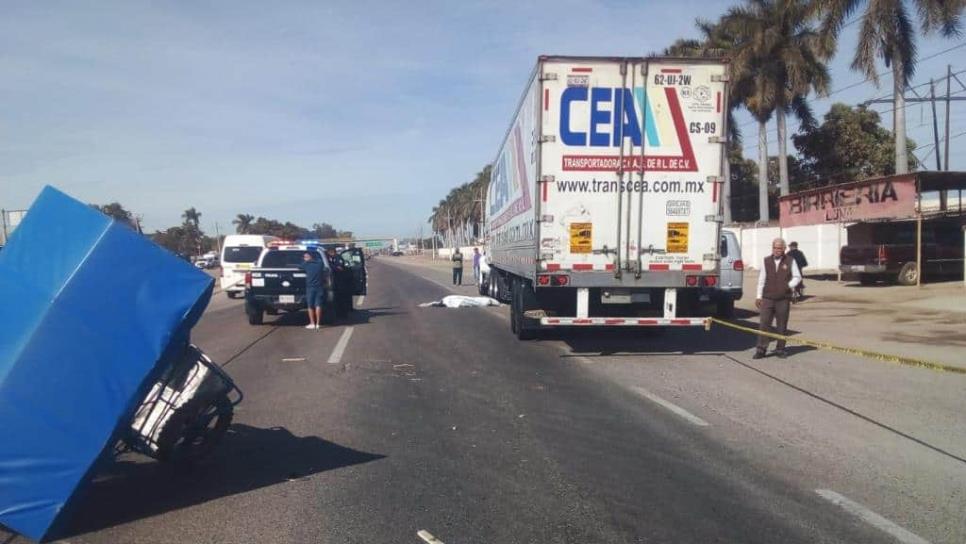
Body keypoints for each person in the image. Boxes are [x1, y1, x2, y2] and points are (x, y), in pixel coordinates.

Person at [754, 238, 802, 359]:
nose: (777, 250)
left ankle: (780, 349)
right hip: (767, 298)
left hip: (783, 299)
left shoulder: (790, 261)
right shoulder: (766, 261)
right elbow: (761, 279)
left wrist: (788, 286)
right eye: (775, 248)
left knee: (782, 325)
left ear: (784, 249)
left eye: (779, 248)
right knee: (764, 323)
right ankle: (761, 349)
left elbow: (797, 277)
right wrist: (759, 296)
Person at [300, 251, 325, 330]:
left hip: (310, 288)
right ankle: (318, 323)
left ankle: (312, 323)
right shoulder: (320, 264)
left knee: (310, 306)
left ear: (309, 257)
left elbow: (300, 267)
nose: (304, 258)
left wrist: (306, 261)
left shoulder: (306, 264)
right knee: (318, 305)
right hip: (319, 287)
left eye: (306, 257)